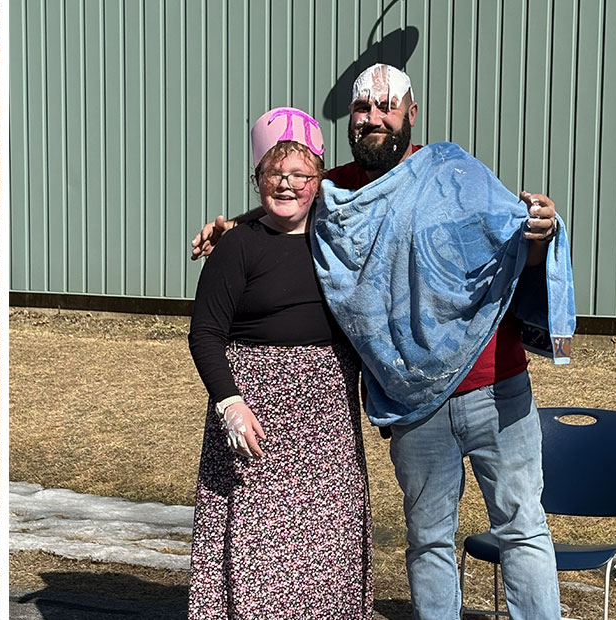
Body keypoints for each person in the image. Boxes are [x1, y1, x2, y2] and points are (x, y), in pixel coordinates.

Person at [189, 65, 571, 620]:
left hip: (495, 385)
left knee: (522, 529)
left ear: (410, 115)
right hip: (414, 401)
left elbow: (515, 237)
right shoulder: (338, 188)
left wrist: (545, 233)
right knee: (430, 539)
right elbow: (291, 195)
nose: (372, 118)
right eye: (362, 109)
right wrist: (236, 229)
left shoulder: (453, 172)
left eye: (385, 108)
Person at [182, 108, 369, 617]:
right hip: (255, 418)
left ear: (319, 180)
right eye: (273, 173)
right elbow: (205, 334)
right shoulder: (237, 246)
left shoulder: (339, 239)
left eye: (300, 175)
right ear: (257, 179)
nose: (286, 185)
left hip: (325, 423)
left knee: (328, 548)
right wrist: (230, 404)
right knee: (256, 548)